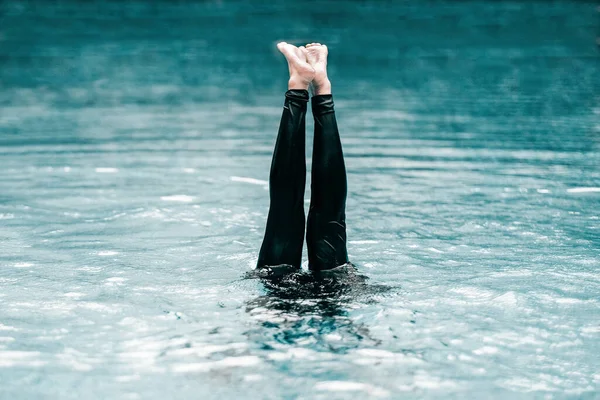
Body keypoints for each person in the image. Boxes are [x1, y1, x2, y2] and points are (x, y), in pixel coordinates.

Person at [257, 42, 349, 272]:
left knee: (285, 216)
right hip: (337, 288)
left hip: (280, 295)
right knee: (287, 215)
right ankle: (315, 86)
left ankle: (304, 85)